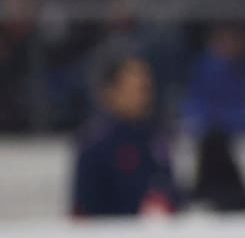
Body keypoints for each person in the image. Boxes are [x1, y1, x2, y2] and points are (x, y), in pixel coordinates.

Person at [71, 53, 180, 217]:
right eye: (134, 88)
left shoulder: (156, 134)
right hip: (110, 234)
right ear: (111, 92)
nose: (143, 94)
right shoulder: (95, 142)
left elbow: (170, 187)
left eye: (145, 87)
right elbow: (85, 206)